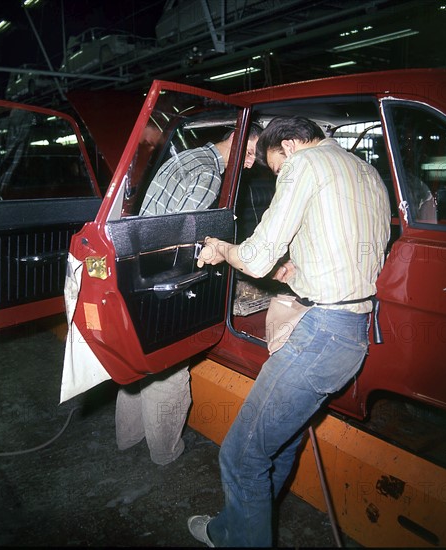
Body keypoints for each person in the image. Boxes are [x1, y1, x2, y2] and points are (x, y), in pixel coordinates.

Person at [187, 116, 391, 546]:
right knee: (278, 445)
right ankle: (231, 529)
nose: (279, 175)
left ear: (293, 144)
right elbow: (352, 253)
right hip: (354, 333)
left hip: (322, 335)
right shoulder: (365, 170)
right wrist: (296, 274)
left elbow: (257, 258)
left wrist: (222, 249)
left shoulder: (306, 163)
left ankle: (239, 537)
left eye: (276, 167)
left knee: (241, 455)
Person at [115, 125, 261, 466]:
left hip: (138, 267)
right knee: (170, 367)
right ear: (235, 140)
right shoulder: (209, 174)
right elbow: (184, 236)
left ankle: (127, 436)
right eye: (251, 153)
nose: (251, 165)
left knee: (138, 359)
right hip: (164, 275)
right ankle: (165, 451)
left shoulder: (186, 157)